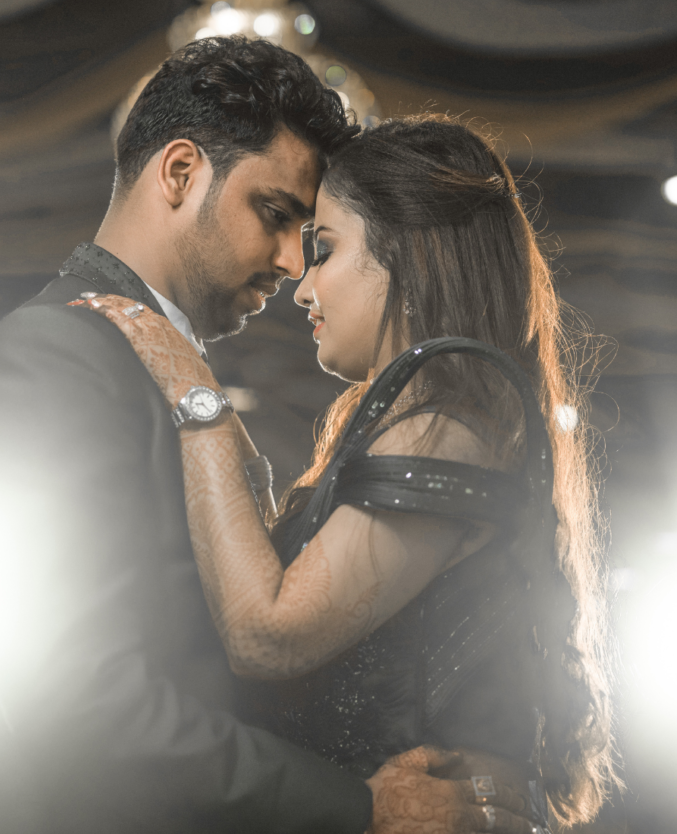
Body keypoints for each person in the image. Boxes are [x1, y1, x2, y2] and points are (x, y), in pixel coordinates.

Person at [0, 41, 531, 834]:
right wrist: (357, 805)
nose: (287, 263)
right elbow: (66, 696)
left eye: (309, 238)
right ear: (178, 173)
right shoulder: (56, 355)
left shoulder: (148, 370)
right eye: (273, 215)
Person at [84, 114, 617, 834]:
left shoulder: (449, 423)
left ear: (410, 255)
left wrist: (195, 397)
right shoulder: (436, 418)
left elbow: (265, 637)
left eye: (324, 251)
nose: (301, 291)